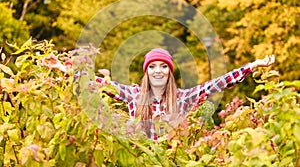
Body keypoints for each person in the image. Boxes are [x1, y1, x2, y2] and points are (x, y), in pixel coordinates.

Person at [43, 48, 275, 140]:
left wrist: (252, 66)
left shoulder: (183, 97)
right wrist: (64, 69)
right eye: (152, 66)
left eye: (164, 66)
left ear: (170, 72)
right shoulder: (133, 95)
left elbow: (218, 83)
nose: (158, 71)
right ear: (146, 72)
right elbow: (98, 83)